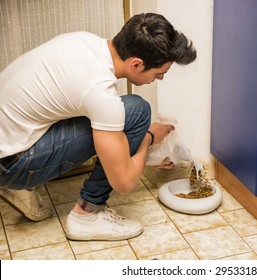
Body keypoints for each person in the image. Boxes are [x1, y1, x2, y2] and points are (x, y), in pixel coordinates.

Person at [0, 13, 196, 241]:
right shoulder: (99, 91)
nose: (160, 79)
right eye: (159, 73)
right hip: (11, 165)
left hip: (8, 143)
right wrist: (148, 138)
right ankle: (87, 214)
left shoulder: (83, 41)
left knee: (123, 114)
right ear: (136, 64)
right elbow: (123, 183)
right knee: (137, 111)